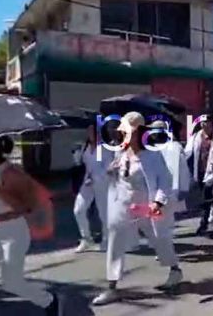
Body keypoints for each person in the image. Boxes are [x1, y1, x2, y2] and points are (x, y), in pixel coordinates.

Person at [92, 112, 183, 306]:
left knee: (158, 238)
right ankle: (112, 287)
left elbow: (165, 181)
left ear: (139, 132)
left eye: (128, 131)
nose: (123, 134)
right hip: (122, 205)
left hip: (145, 206)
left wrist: (157, 203)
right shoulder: (121, 152)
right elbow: (115, 177)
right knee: (115, 241)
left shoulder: (152, 155)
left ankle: (175, 270)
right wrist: (110, 172)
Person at [0, 136, 62, 315]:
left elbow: (26, 207)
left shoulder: (11, 174)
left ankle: (48, 300)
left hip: (12, 232)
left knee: (12, 283)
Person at [73, 124, 113, 253]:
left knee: (103, 213)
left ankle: (107, 240)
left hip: (102, 183)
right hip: (87, 182)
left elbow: (108, 168)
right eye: (88, 131)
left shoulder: (104, 149)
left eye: (92, 131)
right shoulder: (86, 147)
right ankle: (86, 238)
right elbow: (81, 163)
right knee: (78, 209)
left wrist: (95, 178)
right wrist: (76, 156)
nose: (89, 134)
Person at [185, 114, 213, 236]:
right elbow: (188, 153)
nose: (204, 124)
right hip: (201, 172)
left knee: (207, 198)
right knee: (212, 199)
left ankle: (203, 224)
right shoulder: (196, 137)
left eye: (207, 122)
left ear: (212, 124)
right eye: (202, 122)